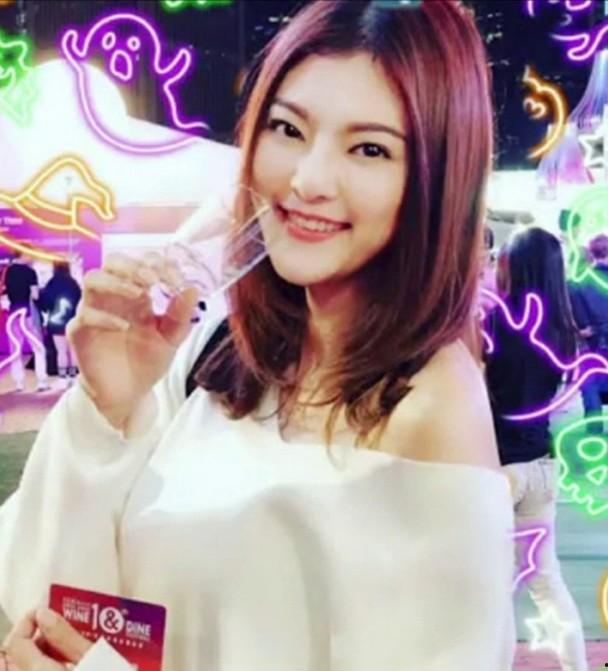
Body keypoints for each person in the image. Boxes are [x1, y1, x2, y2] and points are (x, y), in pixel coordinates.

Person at [1, 2, 515, 669]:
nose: (307, 180)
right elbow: (50, 604)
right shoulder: (216, 352)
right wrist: (108, 410)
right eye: (287, 128)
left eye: (369, 149)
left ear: (435, 178)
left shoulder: (431, 411)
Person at [485, 227, 588, 671]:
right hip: (542, 468)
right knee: (548, 582)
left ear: (516, 266)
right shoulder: (562, 330)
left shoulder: (495, 324)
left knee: (493, 585)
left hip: (497, 468)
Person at [568, 233, 608, 433]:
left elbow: (573, 319)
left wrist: (583, 330)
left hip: (591, 345)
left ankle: (594, 431)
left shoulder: (576, 283)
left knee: (591, 386)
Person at [0, 250, 49, 392]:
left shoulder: (6, 271)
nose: (32, 257)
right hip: (28, 314)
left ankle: (19, 383)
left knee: (15, 350)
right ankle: (41, 381)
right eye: (30, 254)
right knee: (38, 348)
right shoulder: (30, 272)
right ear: (23, 255)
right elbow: (35, 295)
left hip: (12, 314)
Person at [39, 261, 83, 388]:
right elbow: (80, 301)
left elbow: (45, 303)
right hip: (73, 321)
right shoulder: (73, 283)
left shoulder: (51, 283)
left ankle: (63, 378)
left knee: (61, 351)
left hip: (56, 322)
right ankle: (74, 377)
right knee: (73, 350)